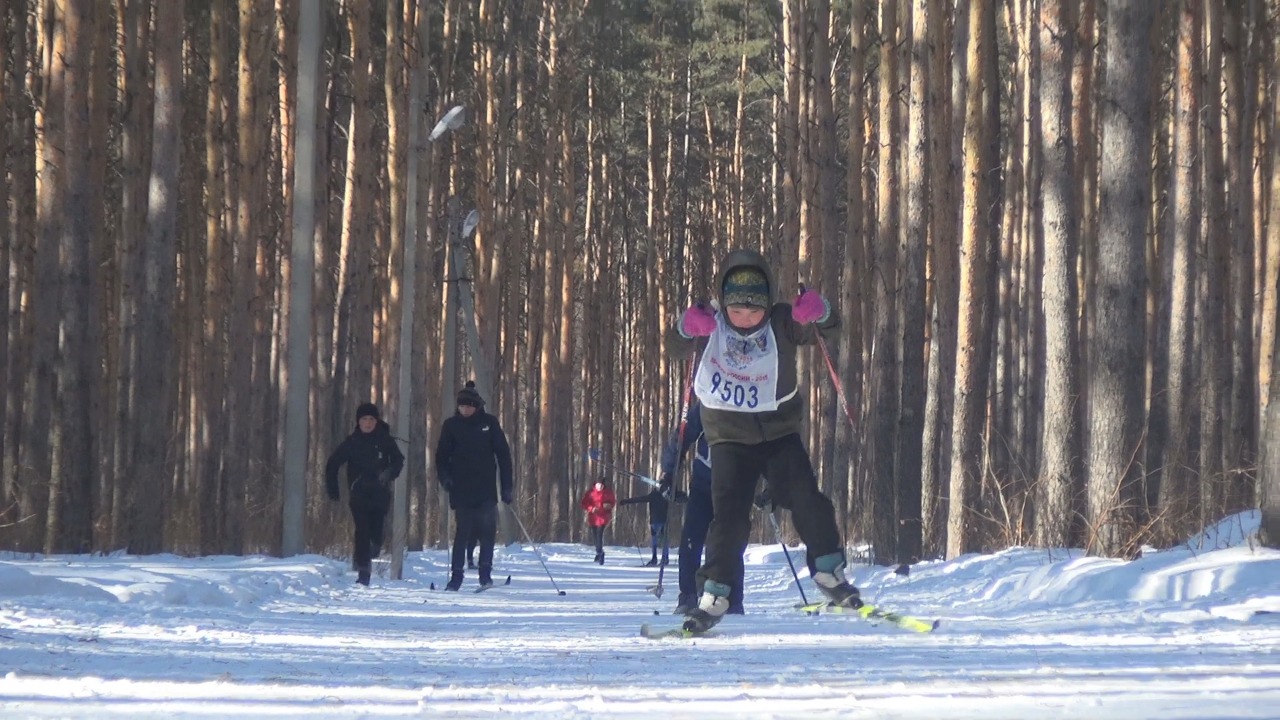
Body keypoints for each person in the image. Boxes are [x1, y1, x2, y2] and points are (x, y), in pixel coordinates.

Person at [666, 248, 861, 632]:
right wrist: (685, 328)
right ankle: (715, 592)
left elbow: (830, 330)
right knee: (730, 519)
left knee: (807, 498)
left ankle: (828, 570)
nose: (745, 319)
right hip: (727, 437)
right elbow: (675, 346)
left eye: (754, 311)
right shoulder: (713, 326)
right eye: (737, 311)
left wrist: (819, 311)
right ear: (725, 303)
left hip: (779, 433)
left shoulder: (782, 323)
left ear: (767, 302)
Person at [657, 400, 743, 615]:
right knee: (690, 540)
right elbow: (683, 436)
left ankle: (731, 600)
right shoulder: (708, 402)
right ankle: (688, 596)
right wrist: (669, 474)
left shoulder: (750, 403)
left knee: (727, 543)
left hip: (734, 486)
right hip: (703, 483)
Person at [435, 381, 514, 591]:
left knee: (487, 530)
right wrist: (445, 478)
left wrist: (507, 486)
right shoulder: (451, 425)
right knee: (463, 531)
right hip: (460, 487)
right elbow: (441, 457)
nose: (465, 409)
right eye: (462, 406)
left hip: (485, 487)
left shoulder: (489, 423)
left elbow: (503, 455)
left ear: (477, 406)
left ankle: (485, 574)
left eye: (469, 406)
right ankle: (456, 577)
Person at [325, 402, 405, 586]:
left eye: (371, 419)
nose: (368, 423)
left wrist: (389, 473)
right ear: (358, 422)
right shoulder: (352, 442)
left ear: (376, 421)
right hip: (358, 493)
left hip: (380, 493)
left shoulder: (385, 440)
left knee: (376, 535)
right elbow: (333, 464)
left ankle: (371, 552)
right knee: (362, 531)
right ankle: (363, 572)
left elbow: (398, 460)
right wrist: (333, 490)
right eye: (364, 419)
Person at [618, 484, 683, 567]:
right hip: (659, 522)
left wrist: (626, 501)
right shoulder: (664, 495)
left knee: (657, 541)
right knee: (661, 541)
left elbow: (640, 499)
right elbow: (641, 499)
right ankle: (662, 558)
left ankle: (658, 558)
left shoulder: (660, 495)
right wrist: (626, 501)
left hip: (658, 522)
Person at [579, 480, 617, 564]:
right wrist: (591, 508)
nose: (600, 487)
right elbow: (584, 503)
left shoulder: (608, 493)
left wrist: (609, 506)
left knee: (599, 535)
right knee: (595, 536)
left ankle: (600, 553)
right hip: (593, 517)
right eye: (598, 486)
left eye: (601, 486)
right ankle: (598, 552)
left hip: (603, 517)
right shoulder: (590, 493)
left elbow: (613, 502)